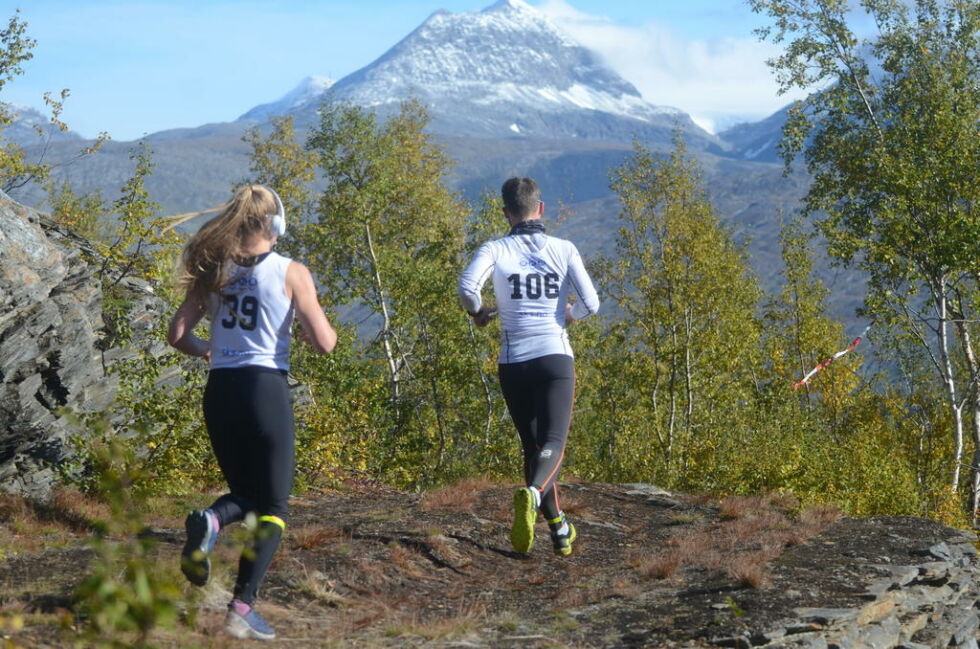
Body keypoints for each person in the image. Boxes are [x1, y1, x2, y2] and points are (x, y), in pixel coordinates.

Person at [167, 184, 336, 640]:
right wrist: (302, 327)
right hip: (265, 389)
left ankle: (214, 520)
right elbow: (325, 343)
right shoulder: (291, 271)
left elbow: (177, 332)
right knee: (274, 504)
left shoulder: (214, 271)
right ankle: (241, 606)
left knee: (247, 491)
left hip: (220, 389)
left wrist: (209, 350)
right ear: (275, 226)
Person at [457, 177, 599, 557]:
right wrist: (571, 314)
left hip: (512, 361)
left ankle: (559, 529)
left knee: (533, 447)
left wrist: (478, 314)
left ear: (506, 213)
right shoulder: (564, 249)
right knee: (553, 444)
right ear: (541, 208)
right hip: (553, 355)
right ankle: (534, 494)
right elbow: (592, 303)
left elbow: (468, 289)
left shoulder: (495, 248)